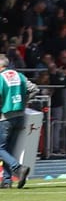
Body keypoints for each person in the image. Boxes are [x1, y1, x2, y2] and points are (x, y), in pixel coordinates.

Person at [0, 54, 31, 187]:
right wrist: (25, 103)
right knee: (8, 149)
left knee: (1, 148)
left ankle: (18, 168)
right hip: (20, 115)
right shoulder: (19, 75)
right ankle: (7, 181)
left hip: (5, 117)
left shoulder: (1, 77)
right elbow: (34, 88)